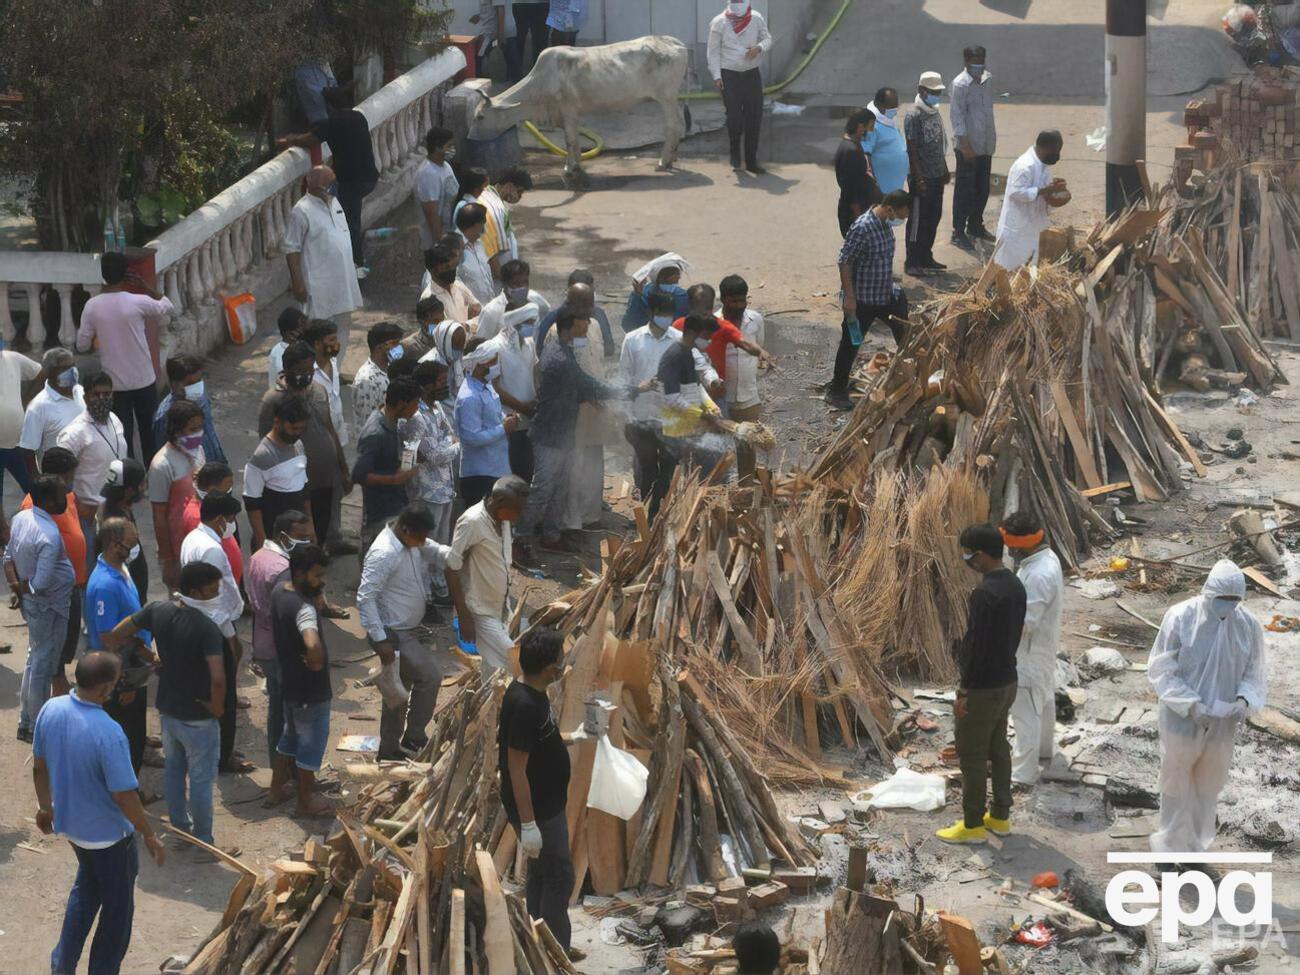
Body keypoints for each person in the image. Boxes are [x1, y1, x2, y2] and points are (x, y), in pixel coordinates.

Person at [32, 652, 166, 975]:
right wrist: (148, 832)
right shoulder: (109, 732)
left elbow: (39, 768)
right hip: (110, 839)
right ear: (106, 689)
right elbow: (124, 795)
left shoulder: (52, 708)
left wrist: (45, 808)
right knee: (117, 914)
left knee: (87, 891)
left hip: (73, 828)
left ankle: (61, 965)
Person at [107, 561, 233, 857]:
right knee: (201, 780)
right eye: (213, 590)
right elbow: (218, 676)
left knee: (175, 773)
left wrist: (144, 652)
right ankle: (204, 843)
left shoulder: (157, 610)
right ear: (196, 591)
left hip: (168, 710)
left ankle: (180, 831)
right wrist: (217, 706)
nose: (216, 594)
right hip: (199, 716)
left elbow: (117, 633)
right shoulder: (206, 627)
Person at [1148, 559, 1266, 854]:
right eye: (1223, 599)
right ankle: (1168, 849)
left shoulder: (1247, 625)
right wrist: (1190, 704)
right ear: (1208, 593)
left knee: (1207, 787)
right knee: (1176, 784)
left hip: (1222, 724)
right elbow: (1162, 669)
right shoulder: (1181, 617)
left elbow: (1255, 671)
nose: (1228, 605)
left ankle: (1196, 849)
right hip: (1182, 720)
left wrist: (1244, 699)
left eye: (1234, 600)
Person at [936, 523, 1026, 845]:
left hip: (983, 687)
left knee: (972, 754)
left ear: (983, 556)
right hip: (1008, 681)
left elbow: (975, 647)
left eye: (969, 554)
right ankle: (1000, 816)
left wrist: (963, 692)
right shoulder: (1016, 584)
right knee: (999, 746)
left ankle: (972, 824)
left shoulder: (984, 594)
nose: (967, 560)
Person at [519, 310, 622, 555]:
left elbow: (581, 389)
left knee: (561, 488)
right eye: (583, 326)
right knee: (543, 488)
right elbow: (589, 385)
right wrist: (628, 391)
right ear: (569, 326)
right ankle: (519, 539)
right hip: (550, 435)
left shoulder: (564, 350)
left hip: (564, 433)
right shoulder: (560, 359)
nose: (586, 330)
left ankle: (551, 535)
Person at [499, 627, 575, 953]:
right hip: (539, 811)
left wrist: (573, 738)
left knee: (542, 874)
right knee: (560, 878)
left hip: (547, 805)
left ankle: (537, 945)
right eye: (560, 660)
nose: (564, 664)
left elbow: (539, 743)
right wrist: (528, 824)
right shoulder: (524, 705)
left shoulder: (533, 693)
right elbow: (515, 768)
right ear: (548, 668)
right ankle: (557, 954)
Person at [358, 504, 453, 759]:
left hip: (406, 629)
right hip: (392, 633)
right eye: (419, 537)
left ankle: (389, 748)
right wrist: (381, 640)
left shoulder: (410, 540)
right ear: (404, 528)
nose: (422, 542)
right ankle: (414, 738)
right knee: (430, 677)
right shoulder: (384, 553)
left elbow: (434, 549)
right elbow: (366, 598)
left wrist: (458, 554)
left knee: (397, 691)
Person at [75, 252, 172, 461]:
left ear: (102, 274)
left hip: (115, 384)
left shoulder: (92, 306)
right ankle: (153, 471)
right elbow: (167, 306)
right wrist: (146, 287)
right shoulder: (138, 301)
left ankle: (128, 479)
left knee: (122, 434)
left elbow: (82, 345)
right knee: (149, 432)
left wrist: (97, 340)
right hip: (144, 379)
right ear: (126, 274)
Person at [179, 492, 247, 774]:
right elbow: (215, 600)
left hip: (197, 622)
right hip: (214, 627)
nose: (231, 525)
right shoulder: (212, 550)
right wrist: (231, 635)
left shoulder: (192, 539)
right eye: (230, 520)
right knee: (223, 694)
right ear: (221, 520)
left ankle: (210, 748)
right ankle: (222, 756)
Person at [4, 474, 76, 744]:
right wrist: (22, 589)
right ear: (47, 500)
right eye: (61, 494)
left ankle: (27, 721)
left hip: (35, 606)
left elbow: (8, 558)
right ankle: (36, 726)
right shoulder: (50, 535)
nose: (65, 498)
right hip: (49, 607)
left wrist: (15, 588)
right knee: (43, 666)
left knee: (35, 661)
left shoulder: (21, 518)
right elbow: (41, 583)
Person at [827, 190, 913, 411]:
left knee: (905, 334)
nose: (901, 221)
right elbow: (845, 261)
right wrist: (850, 298)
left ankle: (910, 378)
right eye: (901, 216)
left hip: (884, 295)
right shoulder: (863, 227)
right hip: (863, 299)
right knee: (851, 344)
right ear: (890, 208)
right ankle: (837, 390)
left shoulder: (885, 224)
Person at [266, 544, 335, 818]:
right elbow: (312, 641)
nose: (323, 581)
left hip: (290, 684)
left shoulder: (280, 591)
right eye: (317, 576)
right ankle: (305, 802)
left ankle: (275, 790)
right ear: (299, 573)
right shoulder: (304, 608)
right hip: (311, 690)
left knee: (289, 739)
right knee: (310, 746)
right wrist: (316, 658)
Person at [260, 341, 349, 552]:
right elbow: (266, 442)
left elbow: (329, 428)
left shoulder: (318, 390)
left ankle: (322, 551)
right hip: (296, 480)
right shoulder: (273, 399)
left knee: (323, 518)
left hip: (325, 475)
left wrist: (342, 466)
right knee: (300, 526)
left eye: (310, 370)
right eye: (300, 370)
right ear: (287, 368)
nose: (306, 375)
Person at [280, 87, 380, 273]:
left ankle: (355, 263)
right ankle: (351, 258)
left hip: (351, 181)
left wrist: (291, 139)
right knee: (345, 216)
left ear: (328, 105)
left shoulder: (331, 123)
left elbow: (310, 140)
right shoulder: (359, 118)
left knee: (348, 221)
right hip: (369, 177)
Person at [84, 518, 151, 775]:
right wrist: (125, 681)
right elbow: (108, 639)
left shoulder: (121, 569)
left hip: (134, 663)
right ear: (114, 545)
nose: (135, 548)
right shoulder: (105, 585)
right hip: (122, 672)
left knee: (136, 733)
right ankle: (126, 795)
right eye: (131, 543)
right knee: (127, 737)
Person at [1000, 512, 1063, 787]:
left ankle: (1022, 775)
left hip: (1027, 653)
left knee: (1025, 712)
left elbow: (1027, 622)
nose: (1009, 550)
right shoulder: (1045, 560)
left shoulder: (1039, 574)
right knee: (1044, 700)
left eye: (1011, 545)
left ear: (1021, 544)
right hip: (1043, 648)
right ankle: (1045, 751)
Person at [20, 449, 89, 697]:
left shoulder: (65, 496)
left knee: (68, 641)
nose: (72, 479)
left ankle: (57, 682)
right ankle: (54, 693)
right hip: (52, 591)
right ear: (57, 476)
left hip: (73, 583)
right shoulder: (33, 505)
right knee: (52, 648)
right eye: (68, 475)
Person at [246, 510, 314, 764]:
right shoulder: (282, 569)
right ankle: (291, 772)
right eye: (300, 537)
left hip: (264, 644)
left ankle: (279, 768)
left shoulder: (258, 557)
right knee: (293, 714)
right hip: (282, 649)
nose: (306, 541)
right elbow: (287, 615)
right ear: (283, 535)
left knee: (277, 709)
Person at [447, 475, 528, 675]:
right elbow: (451, 567)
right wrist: (463, 615)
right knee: (516, 663)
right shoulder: (472, 521)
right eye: (517, 509)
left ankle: (490, 704)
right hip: (479, 610)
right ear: (499, 502)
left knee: (493, 669)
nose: (519, 515)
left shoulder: (503, 520)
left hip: (499, 606)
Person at [284, 165, 364, 352]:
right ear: (315, 185)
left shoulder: (335, 203)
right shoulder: (301, 211)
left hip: (343, 280)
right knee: (317, 331)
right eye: (327, 184)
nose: (331, 187)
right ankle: (317, 371)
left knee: (342, 328)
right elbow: (291, 248)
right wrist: (298, 283)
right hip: (319, 285)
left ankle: (335, 370)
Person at [352, 379, 424, 558]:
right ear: (401, 404)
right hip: (378, 509)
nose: (417, 409)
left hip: (395, 503)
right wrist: (394, 479)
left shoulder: (394, 424)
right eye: (415, 404)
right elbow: (359, 474)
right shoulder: (375, 433)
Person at [673, 282, 770, 415]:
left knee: (719, 432)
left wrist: (759, 351)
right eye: (698, 308)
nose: (703, 313)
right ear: (690, 305)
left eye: (707, 308)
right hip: (686, 394)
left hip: (715, 394)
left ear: (712, 305)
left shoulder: (722, 326)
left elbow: (743, 343)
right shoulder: (678, 326)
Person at [619, 290, 679, 500]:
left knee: (669, 469)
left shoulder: (679, 340)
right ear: (652, 312)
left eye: (670, 313)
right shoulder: (632, 340)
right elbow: (624, 379)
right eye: (663, 312)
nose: (667, 317)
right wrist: (627, 417)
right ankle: (647, 518)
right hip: (642, 416)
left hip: (670, 417)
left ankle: (664, 514)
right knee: (647, 469)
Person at [56, 371, 126, 536]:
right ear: (86, 397)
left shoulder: (115, 420)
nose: (102, 399)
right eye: (96, 395)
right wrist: (78, 508)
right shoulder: (74, 433)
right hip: (89, 517)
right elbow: (58, 477)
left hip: (117, 509)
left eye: (107, 394)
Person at [708, 1, 772, 174]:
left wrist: (759, 47)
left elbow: (768, 39)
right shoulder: (719, 22)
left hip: (751, 75)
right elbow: (712, 51)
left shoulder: (756, 18)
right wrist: (716, 75)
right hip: (729, 76)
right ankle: (735, 151)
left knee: (754, 118)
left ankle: (751, 161)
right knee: (735, 118)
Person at [148, 399, 205, 590]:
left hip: (203, 538)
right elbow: (159, 515)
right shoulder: (161, 465)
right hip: (178, 546)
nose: (197, 434)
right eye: (192, 429)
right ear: (176, 430)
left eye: (200, 427)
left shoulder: (199, 451)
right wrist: (168, 560)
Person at [244, 395, 312, 551]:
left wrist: (310, 527)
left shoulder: (299, 446)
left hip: (297, 535)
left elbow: (305, 490)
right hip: (273, 537)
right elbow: (252, 503)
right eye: (293, 428)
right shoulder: (262, 456)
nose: (297, 434)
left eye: (301, 429)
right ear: (277, 422)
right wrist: (262, 544)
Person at [995, 130, 1069, 270]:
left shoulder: (1043, 166)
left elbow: (1043, 193)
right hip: (1016, 230)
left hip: (1033, 228)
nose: (1057, 155)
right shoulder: (1024, 166)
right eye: (1055, 150)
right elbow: (1016, 192)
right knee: (1008, 271)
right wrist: (1046, 190)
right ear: (1044, 147)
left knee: (1029, 270)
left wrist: (1056, 192)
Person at [455, 341, 518, 506]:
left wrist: (507, 419)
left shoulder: (486, 386)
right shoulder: (469, 397)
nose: (496, 365)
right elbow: (472, 438)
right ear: (480, 364)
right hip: (480, 474)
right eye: (493, 361)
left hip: (497, 468)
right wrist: (503, 428)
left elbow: (493, 416)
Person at [949, 45, 997, 249]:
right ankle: (958, 231)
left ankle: (975, 225)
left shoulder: (987, 79)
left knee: (982, 188)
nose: (979, 63)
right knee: (965, 191)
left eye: (982, 58)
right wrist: (965, 145)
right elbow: (957, 116)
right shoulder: (960, 85)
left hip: (985, 143)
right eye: (975, 59)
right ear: (966, 60)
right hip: (968, 147)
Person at [904, 71, 950, 276]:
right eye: (933, 92)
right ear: (921, 90)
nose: (936, 95)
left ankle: (926, 256)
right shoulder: (913, 115)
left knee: (934, 217)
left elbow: (939, 143)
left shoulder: (934, 111)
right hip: (922, 177)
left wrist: (944, 168)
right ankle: (912, 261)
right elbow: (912, 149)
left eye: (938, 92)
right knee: (917, 220)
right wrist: (919, 178)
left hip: (937, 174)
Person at [491, 304, 541, 482]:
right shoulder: (497, 347)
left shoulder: (529, 342)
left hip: (530, 419)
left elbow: (534, 371)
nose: (531, 326)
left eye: (533, 322)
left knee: (527, 471)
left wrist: (538, 400)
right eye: (528, 322)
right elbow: (495, 387)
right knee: (510, 472)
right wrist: (522, 408)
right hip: (509, 421)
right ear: (515, 322)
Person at [149, 354, 227, 465]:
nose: (197, 387)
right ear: (174, 384)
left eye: (199, 381)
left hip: (214, 460)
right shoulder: (165, 417)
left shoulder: (201, 396)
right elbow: (165, 456)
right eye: (190, 384)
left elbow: (210, 431)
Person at [18, 347, 85, 474]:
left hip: (88, 474)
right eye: (65, 368)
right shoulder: (38, 407)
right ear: (50, 372)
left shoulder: (82, 392)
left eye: (73, 366)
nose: (72, 371)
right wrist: (37, 479)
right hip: (61, 478)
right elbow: (28, 450)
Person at [98, 458, 150, 604]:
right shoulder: (117, 524)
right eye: (141, 484)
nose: (144, 487)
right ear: (128, 491)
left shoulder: (122, 509)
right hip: (128, 598)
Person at [718, 275, 767, 421]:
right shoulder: (713, 324)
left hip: (750, 397)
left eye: (742, 300)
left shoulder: (755, 320)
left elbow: (760, 347)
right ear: (723, 299)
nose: (739, 305)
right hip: (721, 398)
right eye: (734, 301)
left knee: (751, 439)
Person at [536, 269, 615, 355]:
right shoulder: (552, 319)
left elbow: (610, 348)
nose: (590, 303)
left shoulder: (598, 314)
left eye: (591, 296)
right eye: (585, 298)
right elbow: (539, 350)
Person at [0, 342, 43, 494]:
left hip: (19, 442)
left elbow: (40, 373)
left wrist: (27, 399)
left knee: (36, 489)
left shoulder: (13, 358)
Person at [476, 258, 551, 342]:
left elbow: (546, 316)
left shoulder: (535, 299)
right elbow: (481, 343)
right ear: (505, 285)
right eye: (516, 284)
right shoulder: (492, 311)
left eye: (525, 282)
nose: (522, 287)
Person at [352, 321, 406, 434]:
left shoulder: (392, 368)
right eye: (394, 343)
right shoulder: (366, 380)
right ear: (379, 347)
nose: (399, 348)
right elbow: (369, 422)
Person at [416, 126, 460, 264]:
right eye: (449, 146)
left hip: (449, 232)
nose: (453, 149)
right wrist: (441, 243)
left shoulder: (445, 166)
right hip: (435, 241)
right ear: (437, 147)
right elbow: (431, 213)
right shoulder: (428, 174)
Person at [480, 166, 533, 279]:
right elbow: (492, 250)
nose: (519, 197)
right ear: (509, 186)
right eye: (519, 192)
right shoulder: (495, 208)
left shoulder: (490, 197)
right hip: (499, 276)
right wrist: (503, 278)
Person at [305, 318, 349, 452]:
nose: (337, 343)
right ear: (317, 344)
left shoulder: (333, 362)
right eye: (332, 340)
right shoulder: (308, 373)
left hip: (338, 432)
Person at [835, 109, 880, 237]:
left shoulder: (854, 145)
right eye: (870, 127)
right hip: (855, 213)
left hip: (861, 208)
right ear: (860, 126)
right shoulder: (851, 151)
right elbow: (850, 188)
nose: (871, 132)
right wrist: (859, 218)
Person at [621, 257, 690, 332]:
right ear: (671, 278)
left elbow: (627, 324)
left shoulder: (641, 293)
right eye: (677, 273)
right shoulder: (682, 296)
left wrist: (637, 294)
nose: (679, 277)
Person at [421, 240, 482, 325]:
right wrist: (470, 325)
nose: (452, 270)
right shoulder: (428, 298)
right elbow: (439, 333)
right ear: (434, 271)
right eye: (447, 267)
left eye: (453, 266)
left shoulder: (458, 286)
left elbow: (479, 309)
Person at [862, 87, 909, 196]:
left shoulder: (889, 120)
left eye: (895, 106)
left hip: (895, 188)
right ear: (879, 104)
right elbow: (865, 155)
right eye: (891, 107)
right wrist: (873, 184)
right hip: (880, 190)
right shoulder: (870, 124)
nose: (894, 110)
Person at [455, 203, 497, 305]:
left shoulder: (480, 245)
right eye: (482, 226)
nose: (484, 230)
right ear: (476, 225)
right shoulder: (454, 248)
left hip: (487, 309)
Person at [507, 0, 550, 82]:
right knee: (519, 39)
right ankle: (516, 75)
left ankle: (539, 74)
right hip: (521, 4)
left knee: (539, 41)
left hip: (540, 4)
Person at [268, 306, 309, 391]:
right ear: (290, 334)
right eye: (302, 327)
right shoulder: (280, 354)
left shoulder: (299, 347)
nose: (305, 330)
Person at [294, 58, 344, 125]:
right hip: (318, 116)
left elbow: (333, 85)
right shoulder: (302, 71)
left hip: (323, 114)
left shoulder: (322, 63)